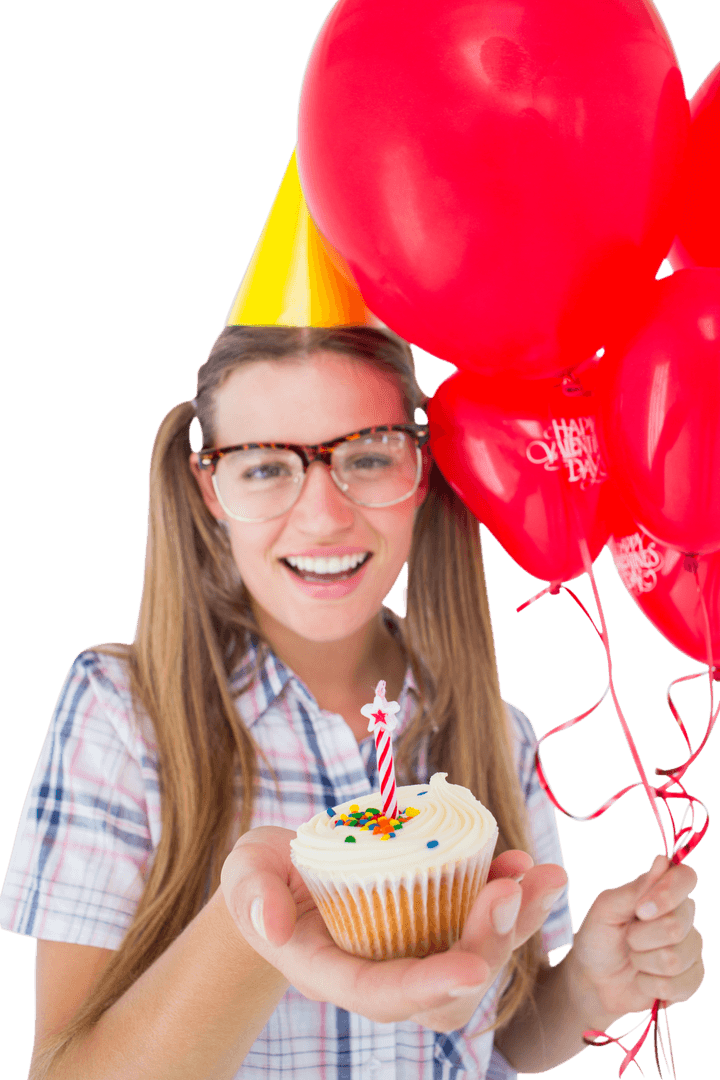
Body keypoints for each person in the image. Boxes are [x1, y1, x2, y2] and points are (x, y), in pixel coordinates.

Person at [0, 156, 703, 1080]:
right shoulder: (124, 714)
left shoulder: (495, 733)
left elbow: (491, 1037)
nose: (326, 515)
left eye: (367, 457)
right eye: (265, 465)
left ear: (424, 474)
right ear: (207, 491)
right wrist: (266, 920)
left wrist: (587, 991)